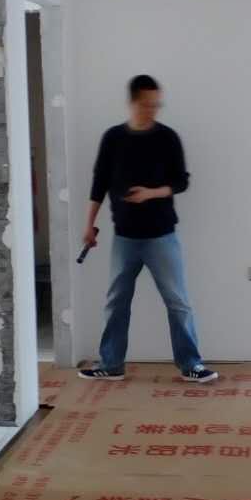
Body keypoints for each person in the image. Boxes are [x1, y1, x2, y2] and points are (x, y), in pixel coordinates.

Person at [78, 75, 218, 382]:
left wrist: (151, 193)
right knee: (116, 301)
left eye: (156, 105)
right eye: (146, 104)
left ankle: (191, 364)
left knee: (177, 301)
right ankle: (111, 364)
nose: (152, 110)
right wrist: (89, 225)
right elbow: (99, 183)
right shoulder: (113, 138)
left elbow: (181, 182)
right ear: (132, 103)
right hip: (124, 237)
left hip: (161, 235)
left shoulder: (167, 138)